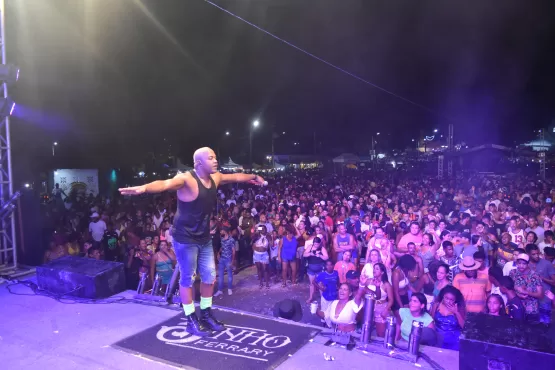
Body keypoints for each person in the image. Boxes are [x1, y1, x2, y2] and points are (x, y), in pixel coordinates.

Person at [119, 147, 265, 336]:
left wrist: (254, 176)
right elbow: (165, 184)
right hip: (185, 238)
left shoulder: (216, 178)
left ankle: (205, 314)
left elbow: (236, 177)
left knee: (209, 276)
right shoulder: (187, 179)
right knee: (187, 278)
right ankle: (190, 319)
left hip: (203, 237)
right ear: (198, 163)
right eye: (210, 158)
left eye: (215, 157)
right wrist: (144, 188)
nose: (215, 161)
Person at [509, 253, 544, 323]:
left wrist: (526, 292)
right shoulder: (513, 273)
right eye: (519, 263)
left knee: (531, 332)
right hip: (517, 308)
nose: (521, 266)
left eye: (524, 264)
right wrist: (518, 294)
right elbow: (509, 288)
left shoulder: (535, 275)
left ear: (528, 263)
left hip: (531, 311)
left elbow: (540, 295)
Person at [526, 243, 555, 324]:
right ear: (528, 254)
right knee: (531, 326)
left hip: (544, 301)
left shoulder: (547, 264)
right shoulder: (525, 264)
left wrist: (541, 278)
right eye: (533, 254)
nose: (536, 256)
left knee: (545, 325)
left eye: (537, 253)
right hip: (530, 302)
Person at [430, 285, 465, 350]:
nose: (448, 301)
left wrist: (456, 312)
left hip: (454, 341)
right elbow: (431, 322)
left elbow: (464, 326)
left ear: (455, 300)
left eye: (451, 299)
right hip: (438, 339)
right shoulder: (436, 305)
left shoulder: (458, 308)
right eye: (446, 298)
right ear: (443, 296)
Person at [366, 263, 394, 337]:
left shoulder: (386, 285)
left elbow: (391, 300)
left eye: (377, 269)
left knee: (380, 333)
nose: (374, 270)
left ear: (382, 272)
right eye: (374, 268)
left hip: (381, 308)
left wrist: (386, 310)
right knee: (367, 330)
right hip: (369, 307)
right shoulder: (369, 281)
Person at [304, 236, 329, 304]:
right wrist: (310, 253)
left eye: (317, 244)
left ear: (319, 243)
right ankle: (311, 297)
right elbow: (304, 255)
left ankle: (322, 298)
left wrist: (320, 255)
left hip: (319, 269)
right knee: (312, 283)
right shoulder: (310, 247)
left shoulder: (322, 248)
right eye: (315, 244)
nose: (316, 245)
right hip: (311, 268)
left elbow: (326, 258)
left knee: (320, 284)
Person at [214, 227, 236, 296]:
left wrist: (232, 261)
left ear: (225, 231)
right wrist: (218, 253)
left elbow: (233, 251)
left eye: (221, 231)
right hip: (222, 259)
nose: (220, 232)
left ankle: (229, 288)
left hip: (228, 259)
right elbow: (222, 247)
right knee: (220, 275)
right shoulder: (222, 239)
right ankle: (220, 290)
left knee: (229, 274)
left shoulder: (231, 240)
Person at [252, 225, 271, 289]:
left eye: (264, 229)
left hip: (264, 254)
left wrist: (271, 237)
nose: (263, 230)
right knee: (259, 269)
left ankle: (267, 283)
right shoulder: (256, 236)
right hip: (257, 254)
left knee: (265, 269)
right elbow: (252, 244)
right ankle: (261, 283)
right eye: (261, 229)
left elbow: (272, 245)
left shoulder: (268, 236)